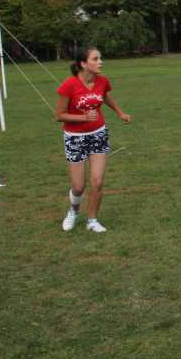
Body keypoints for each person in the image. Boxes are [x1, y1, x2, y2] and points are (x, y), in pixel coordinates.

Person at [55, 47, 131, 233]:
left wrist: (120, 113)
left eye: (100, 58)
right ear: (83, 63)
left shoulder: (102, 81)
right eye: (95, 59)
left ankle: (92, 220)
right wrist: (82, 118)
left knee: (97, 182)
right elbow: (59, 115)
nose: (100, 62)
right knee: (79, 187)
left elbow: (106, 97)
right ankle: (73, 211)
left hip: (98, 134)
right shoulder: (69, 85)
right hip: (74, 138)